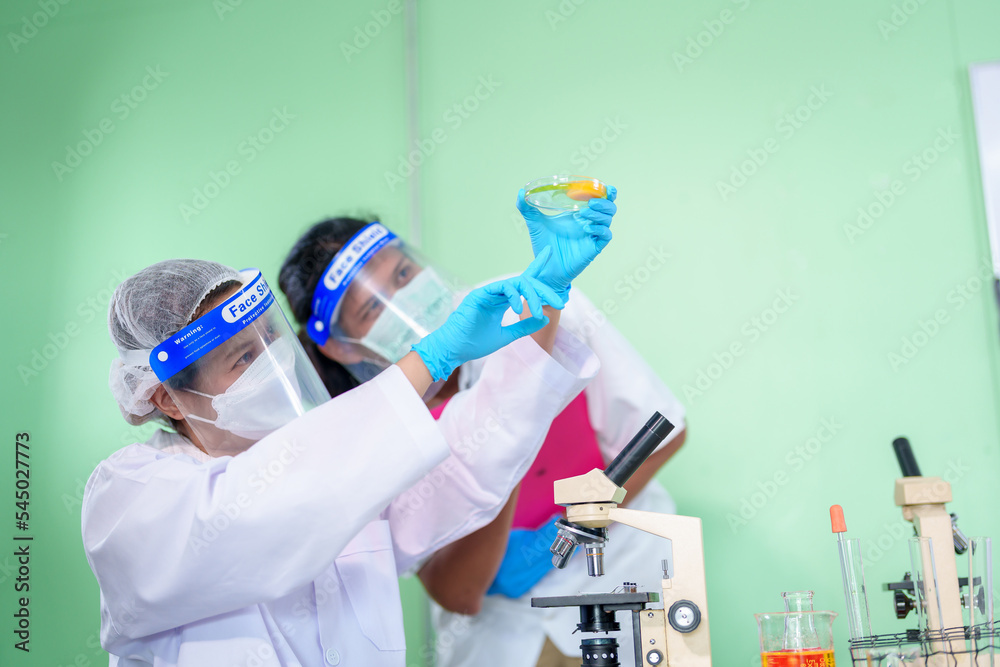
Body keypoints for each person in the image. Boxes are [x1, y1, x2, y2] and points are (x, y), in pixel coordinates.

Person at [82, 251, 599, 666]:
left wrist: (544, 303)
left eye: (272, 339)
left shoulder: (340, 462)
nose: (274, 361)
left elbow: (458, 466)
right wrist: (433, 356)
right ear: (167, 398)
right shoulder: (129, 500)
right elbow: (262, 507)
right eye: (243, 357)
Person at [279, 188, 687, 666]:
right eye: (372, 309)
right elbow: (460, 592)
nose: (403, 300)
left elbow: (662, 430)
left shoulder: (532, 304)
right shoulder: (373, 427)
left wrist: (572, 527)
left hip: (625, 570)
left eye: (404, 274)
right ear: (341, 347)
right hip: (505, 631)